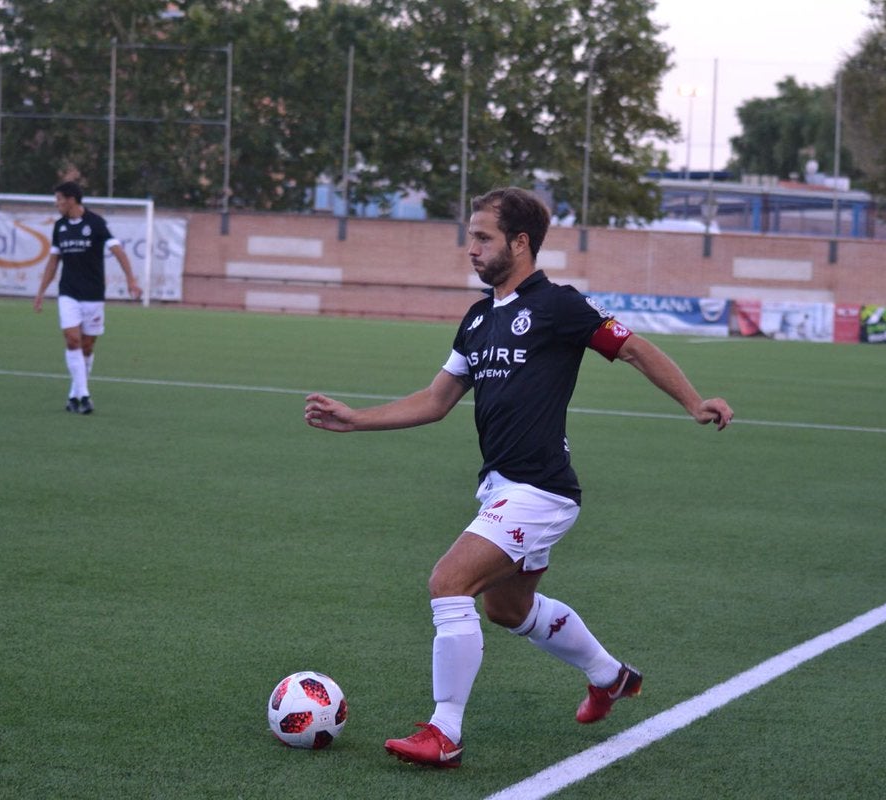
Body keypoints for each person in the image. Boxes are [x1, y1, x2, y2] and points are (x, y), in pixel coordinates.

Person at [304, 186, 733, 768]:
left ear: (521, 242)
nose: (471, 249)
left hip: (541, 488)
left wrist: (692, 402)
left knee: (448, 583)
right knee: (508, 611)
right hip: (502, 487)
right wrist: (355, 420)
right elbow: (435, 400)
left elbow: (634, 350)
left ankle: (443, 731)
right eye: (470, 237)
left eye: (483, 237)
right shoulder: (479, 319)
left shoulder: (558, 305)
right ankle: (610, 677)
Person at [33, 181, 142, 414]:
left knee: (87, 347)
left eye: (59, 199)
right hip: (68, 292)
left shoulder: (96, 223)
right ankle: (84, 396)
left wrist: (131, 279)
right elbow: (53, 262)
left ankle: (74, 395)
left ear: (71, 199)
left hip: (93, 294)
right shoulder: (60, 227)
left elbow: (118, 251)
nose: (57, 204)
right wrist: (41, 292)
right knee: (72, 340)